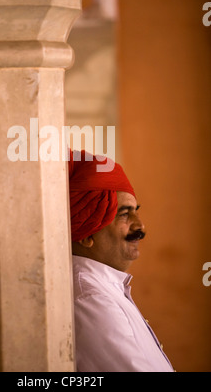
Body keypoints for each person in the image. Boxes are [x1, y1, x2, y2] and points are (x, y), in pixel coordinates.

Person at [69, 149, 174, 372]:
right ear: (87, 233)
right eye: (125, 214)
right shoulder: (91, 299)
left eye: (135, 211)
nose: (140, 226)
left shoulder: (105, 290)